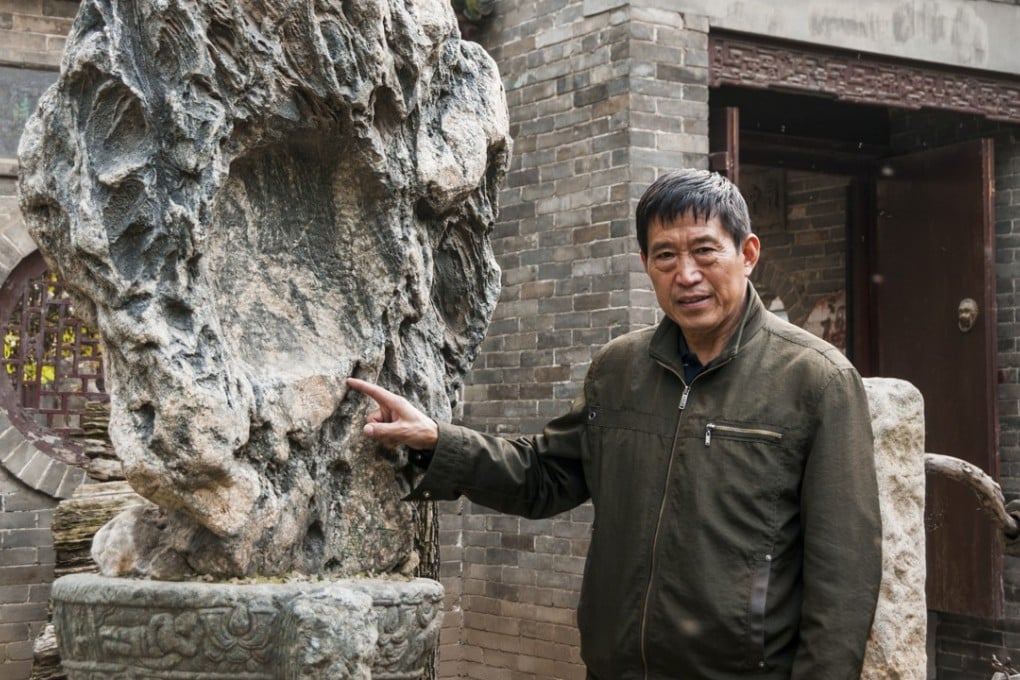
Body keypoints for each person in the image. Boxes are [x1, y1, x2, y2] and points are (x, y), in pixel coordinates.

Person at [347, 169, 882, 679]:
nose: (686, 274)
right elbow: (544, 476)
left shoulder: (816, 380)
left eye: (704, 251)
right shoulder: (620, 369)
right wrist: (438, 442)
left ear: (747, 254)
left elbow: (844, 578)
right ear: (646, 263)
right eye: (666, 256)